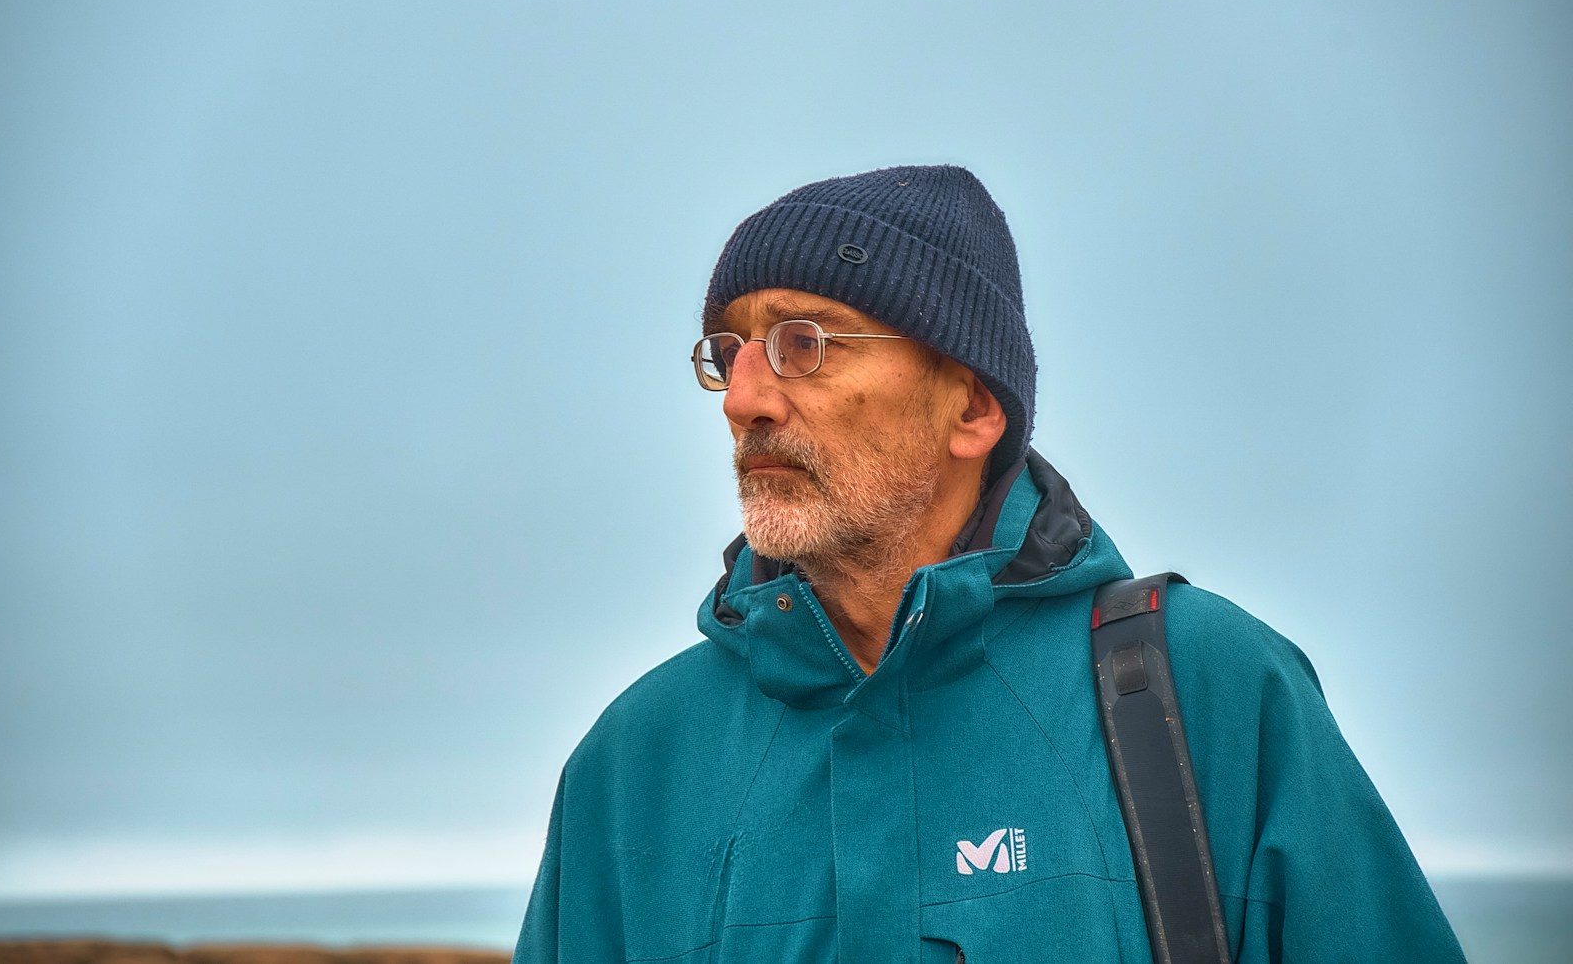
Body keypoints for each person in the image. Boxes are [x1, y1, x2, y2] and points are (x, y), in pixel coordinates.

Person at [513, 165, 1465, 962]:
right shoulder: (634, 763)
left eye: (803, 343)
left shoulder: (1200, 693)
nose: (743, 399)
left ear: (972, 409)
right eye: (732, 350)